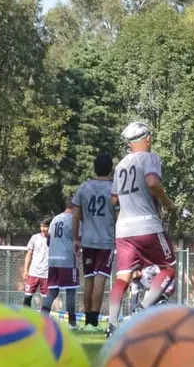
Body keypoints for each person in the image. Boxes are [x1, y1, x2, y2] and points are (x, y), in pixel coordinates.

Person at [107, 121, 177, 335]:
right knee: (168, 268)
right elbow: (153, 182)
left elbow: (113, 199)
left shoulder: (120, 165)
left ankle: (111, 324)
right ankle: (143, 310)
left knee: (123, 277)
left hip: (123, 229)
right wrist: (168, 203)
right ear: (147, 138)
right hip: (147, 225)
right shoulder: (150, 158)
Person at [72, 154, 116, 330]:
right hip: (106, 241)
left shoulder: (84, 187)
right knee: (100, 279)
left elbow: (75, 215)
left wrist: (75, 238)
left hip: (88, 240)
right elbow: (118, 216)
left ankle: (87, 320)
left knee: (88, 278)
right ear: (111, 169)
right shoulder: (113, 189)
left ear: (94, 168)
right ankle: (94, 321)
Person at [42, 206, 81, 328]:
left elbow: (48, 241)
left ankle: (42, 319)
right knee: (71, 291)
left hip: (53, 261)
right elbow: (79, 241)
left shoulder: (54, 219)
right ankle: (72, 323)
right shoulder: (74, 220)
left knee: (52, 291)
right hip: (67, 261)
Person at [21, 219, 50, 309]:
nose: (43, 229)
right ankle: (26, 316)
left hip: (46, 274)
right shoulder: (34, 238)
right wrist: (26, 270)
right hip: (33, 273)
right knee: (27, 298)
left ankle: (44, 317)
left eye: (45, 227)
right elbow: (29, 254)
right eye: (41, 226)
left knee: (46, 301)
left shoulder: (54, 239)